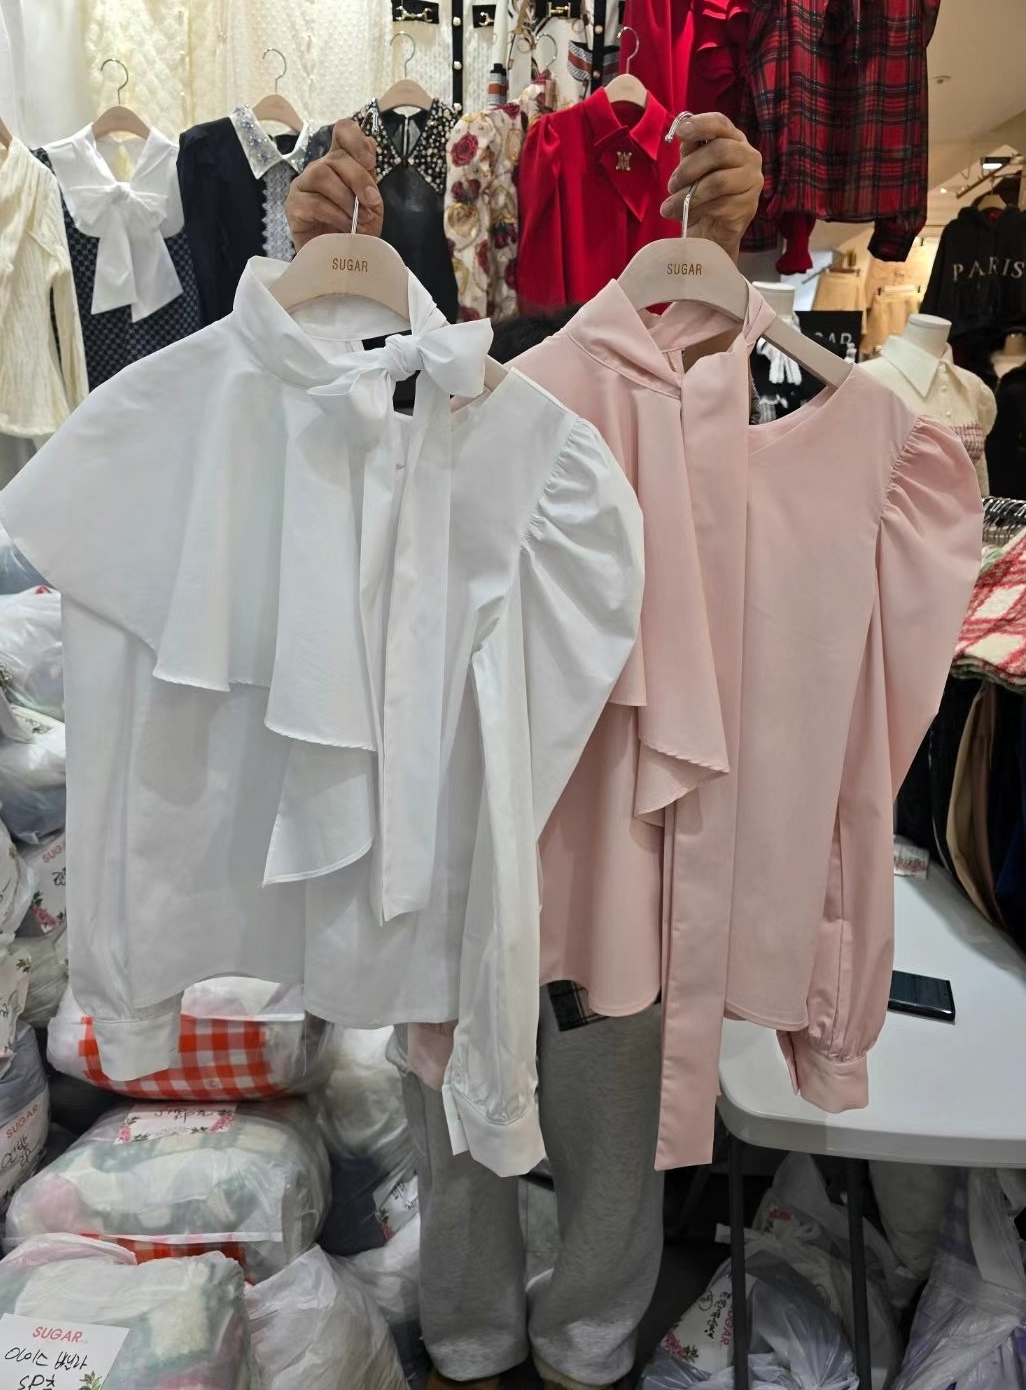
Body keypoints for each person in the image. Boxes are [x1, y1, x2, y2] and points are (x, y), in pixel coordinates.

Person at [287, 113, 765, 1390]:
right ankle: (479, 1332)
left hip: (617, 806)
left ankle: (573, 1337)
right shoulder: (484, 389)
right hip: (470, 786)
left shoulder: (703, 387)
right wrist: (322, 286)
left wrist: (718, 259)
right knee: (460, 1088)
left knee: (603, 1095)